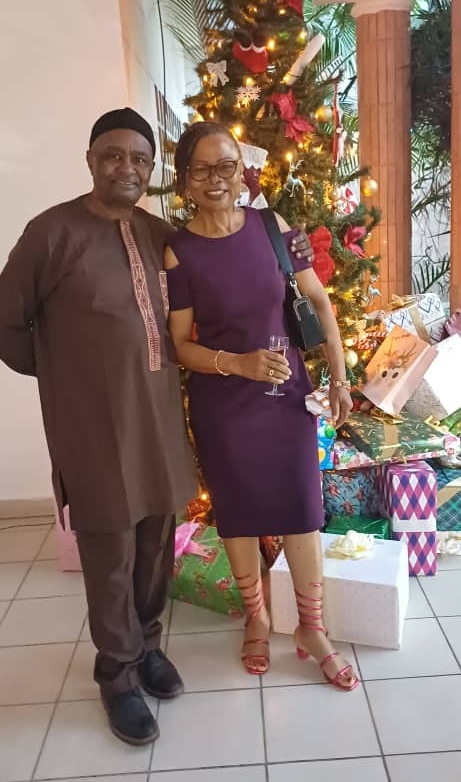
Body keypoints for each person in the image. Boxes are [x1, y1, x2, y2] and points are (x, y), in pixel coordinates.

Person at [0, 107, 314, 744]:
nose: (127, 167)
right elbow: (7, 322)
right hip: (93, 426)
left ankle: (146, 646)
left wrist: (294, 246)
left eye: (139, 159)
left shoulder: (160, 234)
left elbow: (223, 261)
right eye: (113, 155)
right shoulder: (51, 232)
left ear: (152, 171)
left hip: (160, 417)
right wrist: (63, 374)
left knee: (154, 544)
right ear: (91, 160)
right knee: (110, 549)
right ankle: (116, 673)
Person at [165, 121, 359, 691]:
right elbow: (180, 346)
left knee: (302, 508)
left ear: (242, 171)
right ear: (185, 181)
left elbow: (319, 303)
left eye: (226, 165)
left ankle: (312, 628)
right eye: (202, 169)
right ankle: (257, 615)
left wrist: (340, 378)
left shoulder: (273, 228)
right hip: (224, 404)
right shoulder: (180, 253)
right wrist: (237, 363)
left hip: (287, 398)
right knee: (239, 514)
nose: (216, 179)